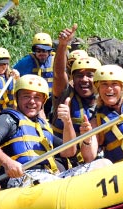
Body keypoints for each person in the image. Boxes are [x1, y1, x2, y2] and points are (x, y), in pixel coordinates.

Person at [0, 75, 82, 188]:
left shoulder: (43, 126)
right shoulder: (7, 119)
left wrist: (67, 122)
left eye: (37, 97)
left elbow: (69, 151)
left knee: (101, 164)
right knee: (51, 182)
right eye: (26, 96)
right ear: (17, 98)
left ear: (43, 101)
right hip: (20, 178)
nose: (32, 101)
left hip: (49, 176)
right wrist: (7, 163)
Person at [50, 25, 101, 167]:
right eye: (79, 76)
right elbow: (59, 74)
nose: (84, 79)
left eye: (90, 76)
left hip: (91, 156)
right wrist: (63, 45)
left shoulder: (105, 100)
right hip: (62, 158)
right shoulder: (65, 95)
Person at [13, 32, 55, 118]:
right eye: (38, 51)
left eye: (44, 51)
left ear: (50, 51)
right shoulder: (26, 62)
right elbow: (13, 73)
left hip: (52, 98)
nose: (41, 54)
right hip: (35, 97)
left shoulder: (56, 61)